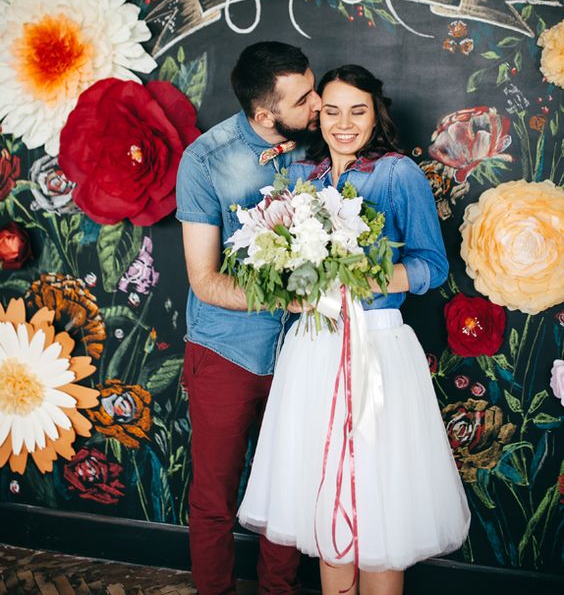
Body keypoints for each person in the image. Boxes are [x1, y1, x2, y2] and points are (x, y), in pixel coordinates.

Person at [237, 65, 471, 595]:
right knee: (323, 497)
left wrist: (365, 276)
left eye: (357, 111)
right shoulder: (301, 179)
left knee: (379, 497)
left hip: (378, 347)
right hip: (314, 348)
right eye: (333, 111)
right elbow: (287, 268)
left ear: (375, 114)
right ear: (318, 117)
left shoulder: (395, 174)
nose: (344, 123)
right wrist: (292, 284)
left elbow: (432, 266)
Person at [175, 41, 322, 595]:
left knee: (286, 492)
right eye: (305, 97)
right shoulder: (205, 160)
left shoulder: (320, 146)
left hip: (304, 352)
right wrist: (285, 298)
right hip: (225, 352)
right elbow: (205, 281)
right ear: (266, 114)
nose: (318, 103)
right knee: (215, 497)